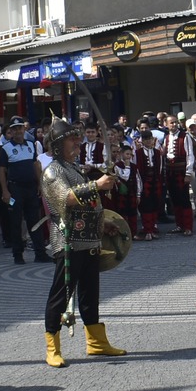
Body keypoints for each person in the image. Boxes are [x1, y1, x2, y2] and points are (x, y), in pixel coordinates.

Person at [39, 120, 124, 365]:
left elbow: (88, 205)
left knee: (90, 293)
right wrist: (97, 185)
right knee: (60, 295)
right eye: (70, 139)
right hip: (68, 240)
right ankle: (52, 348)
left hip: (88, 240)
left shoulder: (74, 168)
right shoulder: (53, 170)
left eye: (77, 138)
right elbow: (66, 199)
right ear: (56, 145)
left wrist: (103, 223)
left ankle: (96, 343)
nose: (77, 143)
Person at [0, 115, 48, 261]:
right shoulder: (5, 148)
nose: (18, 131)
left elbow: (35, 165)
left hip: (31, 189)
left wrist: (40, 184)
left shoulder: (31, 145)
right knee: (15, 221)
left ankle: (40, 253)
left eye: (20, 128)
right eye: (14, 129)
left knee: (35, 220)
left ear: (24, 129)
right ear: (11, 131)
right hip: (14, 190)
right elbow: (1, 170)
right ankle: (18, 255)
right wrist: (5, 191)